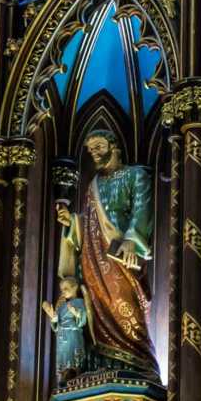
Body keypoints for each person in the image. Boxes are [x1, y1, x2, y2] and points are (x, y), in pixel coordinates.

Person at [56, 130, 158, 376]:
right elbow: (89, 222)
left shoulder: (136, 175)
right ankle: (104, 363)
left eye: (99, 146)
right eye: (91, 150)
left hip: (122, 258)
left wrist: (133, 240)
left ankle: (137, 363)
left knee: (127, 307)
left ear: (114, 146)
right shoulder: (93, 185)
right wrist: (72, 222)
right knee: (98, 310)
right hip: (94, 261)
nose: (95, 153)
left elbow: (143, 209)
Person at [43, 276, 89, 385]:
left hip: (73, 334)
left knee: (74, 360)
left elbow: (83, 321)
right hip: (61, 336)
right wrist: (53, 316)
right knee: (63, 361)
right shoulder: (61, 306)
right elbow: (56, 324)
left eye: (66, 288)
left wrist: (76, 313)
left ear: (75, 287)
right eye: (61, 289)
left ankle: (77, 378)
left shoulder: (80, 302)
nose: (63, 291)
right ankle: (62, 381)